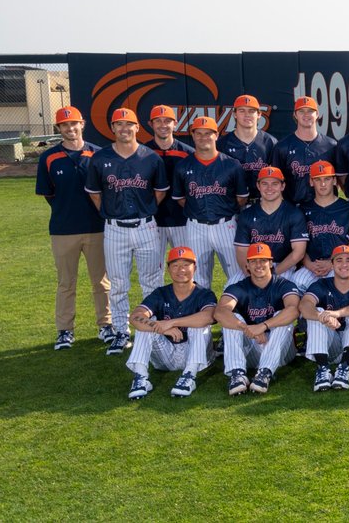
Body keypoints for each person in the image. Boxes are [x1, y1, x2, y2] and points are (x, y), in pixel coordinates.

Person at [85, 108, 168, 356]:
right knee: (118, 283)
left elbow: (160, 191)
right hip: (115, 229)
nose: (123, 129)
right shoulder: (100, 159)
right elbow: (95, 193)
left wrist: (146, 210)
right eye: (118, 124)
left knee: (152, 282)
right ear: (112, 128)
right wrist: (111, 213)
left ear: (137, 128)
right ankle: (121, 331)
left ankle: (151, 327)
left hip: (146, 226)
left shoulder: (151, 158)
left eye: (128, 124)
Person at [36, 105, 111, 350]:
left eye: (74, 123)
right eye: (64, 125)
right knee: (66, 283)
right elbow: (48, 194)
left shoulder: (98, 154)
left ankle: (105, 325)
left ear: (82, 124)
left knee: (101, 281)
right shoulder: (49, 157)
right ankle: (65, 331)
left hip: (96, 227)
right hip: (63, 229)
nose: (70, 128)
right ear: (59, 128)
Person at [125, 246, 216, 400]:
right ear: (168, 269)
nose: (181, 270)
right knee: (148, 324)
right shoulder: (160, 293)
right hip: (165, 354)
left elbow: (209, 317)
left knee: (199, 325)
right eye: (175, 265)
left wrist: (172, 323)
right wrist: (162, 329)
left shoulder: (204, 294)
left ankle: (189, 376)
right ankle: (141, 378)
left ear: (195, 267)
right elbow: (135, 317)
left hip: (196, 354)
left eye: (186, 265)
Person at [172, 115, 248, 288]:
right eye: (199, 133)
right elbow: (181, 198)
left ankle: (236, 314)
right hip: (195, 226)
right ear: (193, 135)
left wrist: (224, 209)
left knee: (237, 275)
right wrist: (198, 210)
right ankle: (204, 313)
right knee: (198, 277)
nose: (203, 137)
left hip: (226, 225)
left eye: (208, 133)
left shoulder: (231, 164)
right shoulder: (183, 166)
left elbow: (241, 197)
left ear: (216, 135)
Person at [214, 243, 300, 395]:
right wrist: (246, 327)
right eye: (253, 261)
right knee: (233, 318)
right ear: (247, 265)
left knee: (282, 317)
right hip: (252, 345)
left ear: (271, 263)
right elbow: (220, 312)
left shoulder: (284, 284)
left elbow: (293, 310)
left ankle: (265, 372)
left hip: (281, 350)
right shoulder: (239, 286)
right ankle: (237, 373)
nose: (258, 265)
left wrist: (263, 326)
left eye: (263, 260)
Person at [299, 245, 349, 391]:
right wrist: (322, 316)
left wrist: (336, 314)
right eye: (339, 260)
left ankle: (344, 368)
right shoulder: (322, 284)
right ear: (332, 264)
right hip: (331, 349)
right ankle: (323, 369)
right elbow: (304, 305)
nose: (344, 264)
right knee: (318, 313)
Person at [233, 166, 309, 282]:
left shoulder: (294, 213)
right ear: (258, 186)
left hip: (283, 266)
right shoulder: (247, 215)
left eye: (275, 184)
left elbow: (298, 252)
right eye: (264, 183)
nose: (269, 188)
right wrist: (250, 275)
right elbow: (241, 251)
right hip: (254, 267)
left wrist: (273, 272)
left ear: (282, 186)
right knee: (230, 288)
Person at [292, 160, 349, 291]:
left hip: (340, 264)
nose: (322, 184)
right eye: (317, 179)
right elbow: (299, 245)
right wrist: (308, 264)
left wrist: (333, 263)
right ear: (311, 182)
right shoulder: (302, 210)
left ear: (334, 181)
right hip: (312, 265)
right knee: (296, 282)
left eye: (327, 179)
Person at [268, 96, 337, 206]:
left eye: (310, 111)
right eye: (301, 111)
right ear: (295, 115)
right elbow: (276, 181)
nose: (306, 115)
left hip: (325, 208)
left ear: (317, 114)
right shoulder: (282, 147)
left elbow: (339, 179)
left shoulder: (331, 145)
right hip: (294, 208)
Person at [146, 104, 193, 250]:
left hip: (182, 220)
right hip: (152, 221)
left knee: (185, 267)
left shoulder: (188, 154)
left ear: (175, 124)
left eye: (167, 121)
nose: (163, 125)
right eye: (158, 121)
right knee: (153, 269)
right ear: (150, 124)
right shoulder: (143, 153)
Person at [216, 94, 277, 202]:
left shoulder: (270, 142)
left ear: (259, 114)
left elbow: (277, 177)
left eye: (251, 111)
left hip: (263, 203)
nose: (247, 115)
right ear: (234, 114)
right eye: (242, 111)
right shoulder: (222, 144)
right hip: (232, 203)